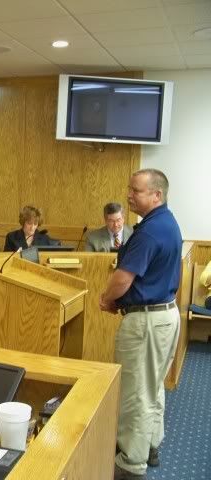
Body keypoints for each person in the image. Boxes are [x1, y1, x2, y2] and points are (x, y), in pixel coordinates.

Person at [99, 169, 181, 480]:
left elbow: (122, 279)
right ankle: (150, 445)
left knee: (135, 392)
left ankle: (131, 464)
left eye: (137, 191)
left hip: (147, 321)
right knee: (153, 385)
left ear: (157, 195)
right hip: (165, 315)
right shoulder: (166, 222)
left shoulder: (148, 232)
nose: (130, 195)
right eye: (130, 188)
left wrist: (107, 299)